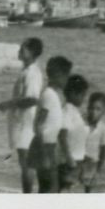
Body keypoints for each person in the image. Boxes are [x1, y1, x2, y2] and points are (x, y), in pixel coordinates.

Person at [0, 37, 44, 193]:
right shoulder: (26, 71)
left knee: (26, 162)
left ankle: (27, 196)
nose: (19, 51)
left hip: (27, 122)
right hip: (22, 120)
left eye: (23, 49)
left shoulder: (32, 73)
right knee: (24, 161)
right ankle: (27, 193)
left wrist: (8, 104)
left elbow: (32, 99)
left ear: (32, 53)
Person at [32, 55, 72, 193]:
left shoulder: (53, 95)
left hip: (51, 146)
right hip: (45, 147)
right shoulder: (48, 95)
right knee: (50, 187)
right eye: (66, 76)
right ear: (58, 75)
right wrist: (44, 154)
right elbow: (38, 125)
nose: (67, 80)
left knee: (50, 186)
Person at [58, 74, 90, 193]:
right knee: (66, 188)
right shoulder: (67, 110)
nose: (83, 98)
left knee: (72, 188)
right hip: (69, 161)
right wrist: (69, 158)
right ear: (72, 93)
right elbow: (62, 136)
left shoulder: (74, 111)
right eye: (82, 95)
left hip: (78, 158)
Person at [80, 92, 105, 193]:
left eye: (98, 109)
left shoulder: (103, 128)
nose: (93, 112)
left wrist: (98, 170)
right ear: (87, 107)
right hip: (79, 161)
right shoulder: (81, 123)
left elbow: (103, 151)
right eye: (91, 108)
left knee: (88, 192)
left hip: (92, 164)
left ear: (104, 111)